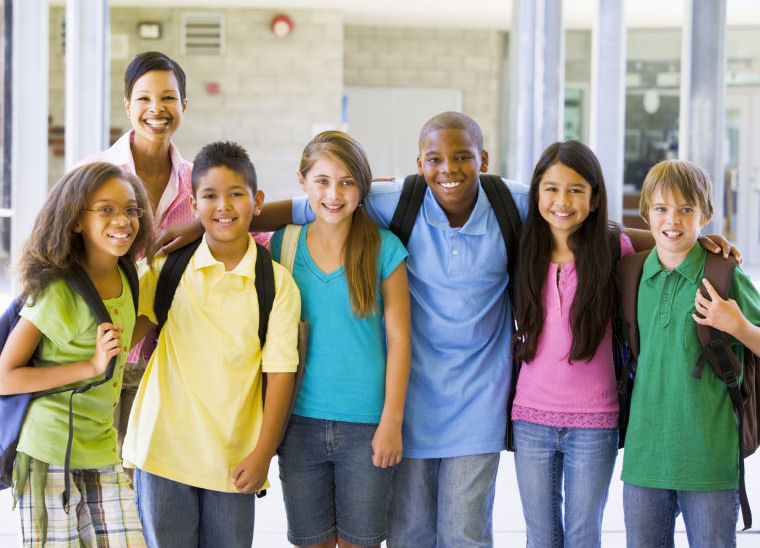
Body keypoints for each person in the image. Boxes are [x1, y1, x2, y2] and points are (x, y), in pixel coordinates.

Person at [121, 141, 301, 548]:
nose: (224, 206)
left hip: (233, 462)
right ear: (194, 203)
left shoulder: (276, 284)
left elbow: (280, 377)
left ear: (257, 201)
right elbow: (125, 331)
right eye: (210, 196)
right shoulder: (166, 267)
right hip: (161, 452)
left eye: (236, 194)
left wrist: (263, 454)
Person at [270, 131, 411, 548]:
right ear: (302, 181)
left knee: (359, 543)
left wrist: (392, 422)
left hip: (366, 428)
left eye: (348, 182)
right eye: (323, 181)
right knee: (311, 541)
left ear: (362, 188)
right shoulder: (284, 245)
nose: (334, 193)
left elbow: (401, 341)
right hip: (298, 425)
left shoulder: (385, 249)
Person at [0, 162, 153, 546]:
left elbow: (113, 337)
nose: (123, 219)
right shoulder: (59, 291)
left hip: (101, 444)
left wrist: (161, 316)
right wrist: (91, 365)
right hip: (48, 450)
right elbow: (6, 375)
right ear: (76, 221)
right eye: (105, 209)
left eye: (131, 209)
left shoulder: (126, 275)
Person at [621, 160, 760, 548]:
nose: (673, 220)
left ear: (707, 215)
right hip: (644, 462)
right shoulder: (630, 274)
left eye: (686, 209)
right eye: (662, 209)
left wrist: (738, 327)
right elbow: (600, 231)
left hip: (709, 461)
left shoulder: (725, 276)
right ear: (646, 212)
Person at [510, 141, 634, 547]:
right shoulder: (521, 248)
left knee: (583, 535)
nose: (562, 201)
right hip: (531, 418)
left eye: (576, 190)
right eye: (551, 188)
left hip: (595, 422)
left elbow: (668, 242)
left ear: (595, 199)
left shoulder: (615, 250)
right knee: (540, 537)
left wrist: (706, 241)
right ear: (536, 193)